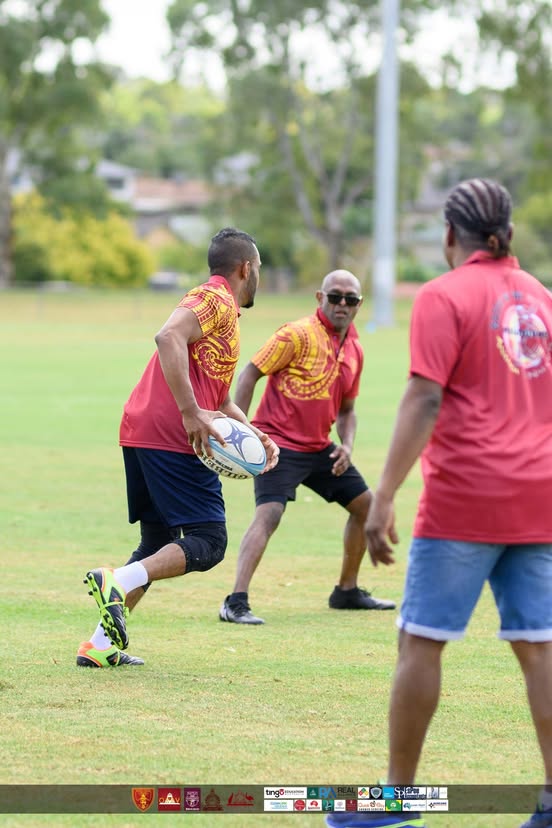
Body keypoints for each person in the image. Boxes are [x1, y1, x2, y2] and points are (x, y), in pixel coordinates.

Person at [326, 178, 552, 828]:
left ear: (451, 236)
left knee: (420, 642)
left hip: (466, 498)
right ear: (504, 231)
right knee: (539, 646)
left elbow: (424, 398)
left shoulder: (443, 295)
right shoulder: (540, 298)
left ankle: (395, 798)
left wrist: (385, 493)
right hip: (538, 498)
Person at [76, 227, 279, 668]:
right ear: (245, 268)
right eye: (258, 268)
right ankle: (116, 579)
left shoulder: (226, 317)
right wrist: (190, 412)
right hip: (173, 434)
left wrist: (256, 434)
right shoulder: (214, 298)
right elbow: (167, 336)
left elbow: (220, 401)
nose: (258, 275)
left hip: (144, 428)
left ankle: (100, 645)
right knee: (209, 539)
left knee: (158, 539)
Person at [219, 268, 396, 625]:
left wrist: (346, 445)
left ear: (360, 305)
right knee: (269, 514)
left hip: (320, 449)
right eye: (335, 297)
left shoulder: (355, 350)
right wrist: (244, 430)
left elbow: (347, 411)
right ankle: (234, 601)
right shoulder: (295, 335)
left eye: (351, 299)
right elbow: (250, 373)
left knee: (367, 507)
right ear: (320, 297)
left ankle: (346, 591)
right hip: (278, 444)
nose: (342, 304)